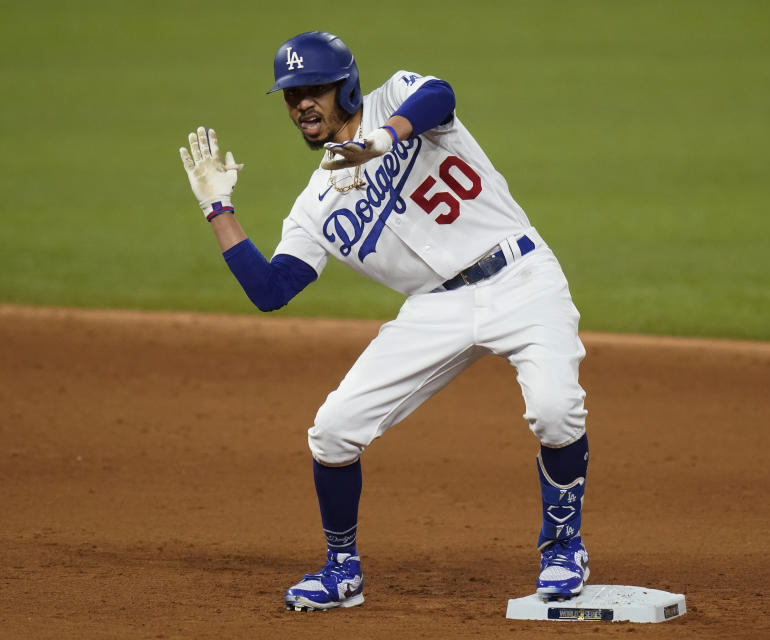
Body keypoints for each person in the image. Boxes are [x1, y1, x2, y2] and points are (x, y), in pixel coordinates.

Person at [179, 31, 591, 612]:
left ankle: (564, 547)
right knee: (333, 430)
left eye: (314, 90)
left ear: (345, 85)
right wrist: (217, 210)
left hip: (520, 275)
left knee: (554, 411)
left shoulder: (394, 99)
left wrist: (381, 139)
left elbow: (440, 96)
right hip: (436, 308)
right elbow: (272, 290)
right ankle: (341, 567)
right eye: (291, 94)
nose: (302, 105)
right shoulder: (313, 205)